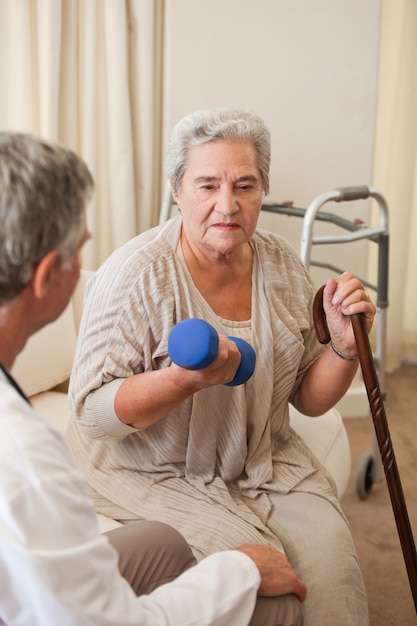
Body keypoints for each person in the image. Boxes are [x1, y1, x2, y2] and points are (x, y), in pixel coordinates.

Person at [67, 107, 374, 625]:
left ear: (264, 191)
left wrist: (344, 347)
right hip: (156, 471)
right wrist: (181, 380)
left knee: (336, 583)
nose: (226, 205)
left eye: (245, 186)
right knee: (270, 589)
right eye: (207, 185)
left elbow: (307, 397)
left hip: (264, 461)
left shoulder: (281, 264)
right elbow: (93, 415)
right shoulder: (135, 275)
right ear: (176, 189)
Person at [0, 131, 307, 626]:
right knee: (278, 603)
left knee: (161, 542)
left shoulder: (279, 261)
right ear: (47, 277)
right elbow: (110, 622)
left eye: (244, 185)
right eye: (80, 250)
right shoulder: (28, 461)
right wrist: (239, 571)